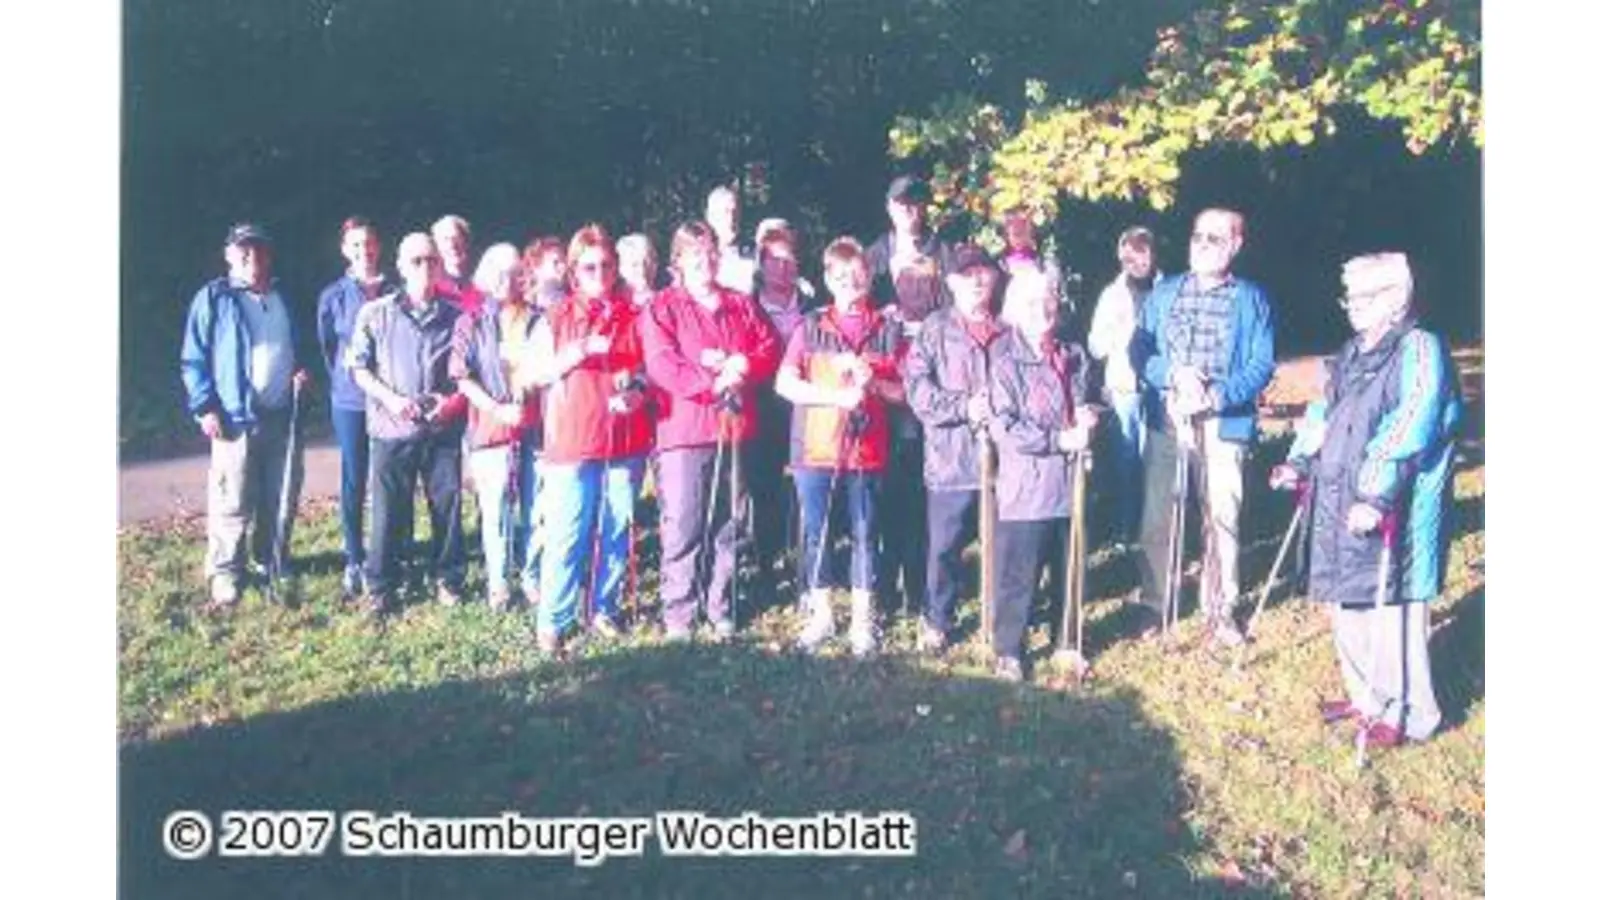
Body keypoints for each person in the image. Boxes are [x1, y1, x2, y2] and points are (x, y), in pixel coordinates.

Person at [1275, 252, 1460, 749]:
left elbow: (1413, 422)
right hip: (1341, 496)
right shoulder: (1353, 351)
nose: (1352, 305)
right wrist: (1299, 461)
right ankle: (1367, 699)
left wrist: (1375, 493)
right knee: (1349, 599)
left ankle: (1410, 715)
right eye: (1349, 296)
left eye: (1364, 296)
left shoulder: (1421, 349)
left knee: (1391, 606)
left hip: (1394, 503)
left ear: (1396, 299)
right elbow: (1324, 412)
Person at [1132, 208, 1276, 648]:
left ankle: (1220, 609)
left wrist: (1217, 395)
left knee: (1221, 517)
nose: (1202, 245)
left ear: (1236, 245)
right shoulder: (1165, 293)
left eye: (1214, 238)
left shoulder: (1251, 299)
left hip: (1222, 422)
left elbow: (1261, 364)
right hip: (1169, 419)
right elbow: (1140, 349)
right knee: (1159, 517)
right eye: (1197, 236)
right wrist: (1172, 375)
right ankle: (1155, 605)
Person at [640, 222, 781, 641]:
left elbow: (771, 346)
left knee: (731, 523)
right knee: (684, 523)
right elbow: (661, 363)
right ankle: (679, 613)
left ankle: (721, 604)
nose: (705, 261)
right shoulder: (662, 307)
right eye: (695, 254)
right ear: (678, 261)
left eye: (711, 252)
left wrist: (745, 364)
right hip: (684, 430)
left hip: (735, 429)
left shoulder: (740, 303)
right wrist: (712, 381)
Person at [521, 225, 653, 653]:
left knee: (616, 530)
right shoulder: (554, 317)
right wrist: (576, 352)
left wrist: (636, 394)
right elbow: (531, 374)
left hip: (624, 440)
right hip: (573, 441)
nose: (600, 273)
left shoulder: (633, 316)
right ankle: (554, 618)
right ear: (574, 272)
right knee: (567, 533)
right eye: (589, 267)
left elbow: (647, 373)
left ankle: (604, 609)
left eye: (607, 265)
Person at [776, 236, 907, 657]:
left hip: (867, 452)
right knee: (817, 534)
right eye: (841, 275)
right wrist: (834, 396)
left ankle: (862, 620)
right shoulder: (810, 326)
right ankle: (822, 615)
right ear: (829, 279)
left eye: (858, 273)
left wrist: (876, 383)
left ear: (869, 276)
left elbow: (905, 392)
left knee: (866, 534)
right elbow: (785, 383)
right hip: (815, 450)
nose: (851, 281)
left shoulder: (887, 329)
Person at [179, 223, 310, 608]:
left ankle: (269, 559)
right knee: (231, 497)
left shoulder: (284, 295)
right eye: (243, 250)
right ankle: (225, 571)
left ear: (269, 254)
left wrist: (302, 371)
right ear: (229, 255)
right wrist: (205, 407)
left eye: (258, 249)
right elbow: (193, 358)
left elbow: (298, 346)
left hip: (282, 414)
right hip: (234, 418)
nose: (252, 256)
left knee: (279, 495)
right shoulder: (214, 298)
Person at [347, 232, 469, 616]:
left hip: (441, 430)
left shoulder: (456, 316)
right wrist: (392, 400)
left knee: (447, 507)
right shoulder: (375, 313)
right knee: (388, 512)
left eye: (431, 260)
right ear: (400, 266)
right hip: (392, 428)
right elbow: (359, 368)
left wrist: (449, 402)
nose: (425, 267)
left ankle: (448, 579)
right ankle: (381, 585)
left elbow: (467, 370)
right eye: (416, 261)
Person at [986, 267, 1097, 681]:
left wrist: (1090, 414)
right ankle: (1009, 650)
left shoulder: (1074, 353)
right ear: (1016, 308)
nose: (1042, 309)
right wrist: (1059, 440)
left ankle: (1067, 641)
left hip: (1071, 481)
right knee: (1019, 574)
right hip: (1028, 485)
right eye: (1032, 302)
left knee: (1070, 566)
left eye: (1048, 298)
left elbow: (1091, 397)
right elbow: (1005, 427)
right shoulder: (1004, 363)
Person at [903, 244, 1009, 653]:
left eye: (984, 272)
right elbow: (917, 390)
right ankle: (937, 620)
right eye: (967, 274)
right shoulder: (934, 329)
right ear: (951, 282)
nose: (977, 280)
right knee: (944, 548)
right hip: (950, 459)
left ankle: (998, 618)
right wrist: (963, 407)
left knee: (999, 545)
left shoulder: (1009, 330)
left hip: (1001, 462)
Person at [449, 243, 544, 611]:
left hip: (535, 426)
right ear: (487, 277)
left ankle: (532, 579)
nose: (507, 280)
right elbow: (462, 376)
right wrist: (497, 410)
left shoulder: (539, 319)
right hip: (490, 429)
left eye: (514, 272)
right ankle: (499, 585)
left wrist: (528, 393)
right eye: (500, 273)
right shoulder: (471, 322)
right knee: (496, 510)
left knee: (537, 509)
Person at [316, 217, 395, 598]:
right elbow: (327, 347)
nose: (364, 250)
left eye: (369, 242)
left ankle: (388, 552)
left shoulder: (395, 291)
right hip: (350, 401)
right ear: (345, 250)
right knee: (354, 476)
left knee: (388, 477)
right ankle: (353, 556)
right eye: (356, 244)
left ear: (379, 245)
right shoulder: (333, 296)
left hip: (389, 399)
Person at [1087, 226, 1159, 544]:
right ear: (1121, 257)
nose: (1137, 262)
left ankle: (1157, 526)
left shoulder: (1169, 289)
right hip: (1125, 388)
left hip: (1160, 388)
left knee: (1157, 457)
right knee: (1126, 457)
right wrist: (1117, 332)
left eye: (1143, 254)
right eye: (1130, 256)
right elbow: (1095, 347)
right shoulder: (1111, 296)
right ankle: (1126, 526)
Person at [747, 225, 807, 588]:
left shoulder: (813, 307)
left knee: (803, 487)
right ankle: (766, 562)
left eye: (789, 260)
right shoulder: (747, 306)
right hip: (763, 408)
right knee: (764, 486)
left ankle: (803, 562)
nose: (782, 268)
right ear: (761, 264)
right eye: (774, 260)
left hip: (805, 409)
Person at [706, 185, 756, 295]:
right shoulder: (700, 255)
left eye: (735, 212)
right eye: (726, 211)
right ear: (711, 216)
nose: (731, 218)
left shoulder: (752, 253)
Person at [431, 214, 481, 313]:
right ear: (437, 246)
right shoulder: (432, 286)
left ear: (466, 242)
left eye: (456, 238)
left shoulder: (482, 282)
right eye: (445, 239)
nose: (452, 245)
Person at [523, 236, 568, 310]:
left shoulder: (571, 304)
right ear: (536, 266)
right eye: (556, 262)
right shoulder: (523, 307)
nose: (563, 266)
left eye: (564, 261)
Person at [617, 232, 661, 308]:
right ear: (621, 269)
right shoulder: (613, 305)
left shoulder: (670, 299)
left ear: (656, 263)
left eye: (646, 263)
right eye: (634, 265)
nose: (642, 271)